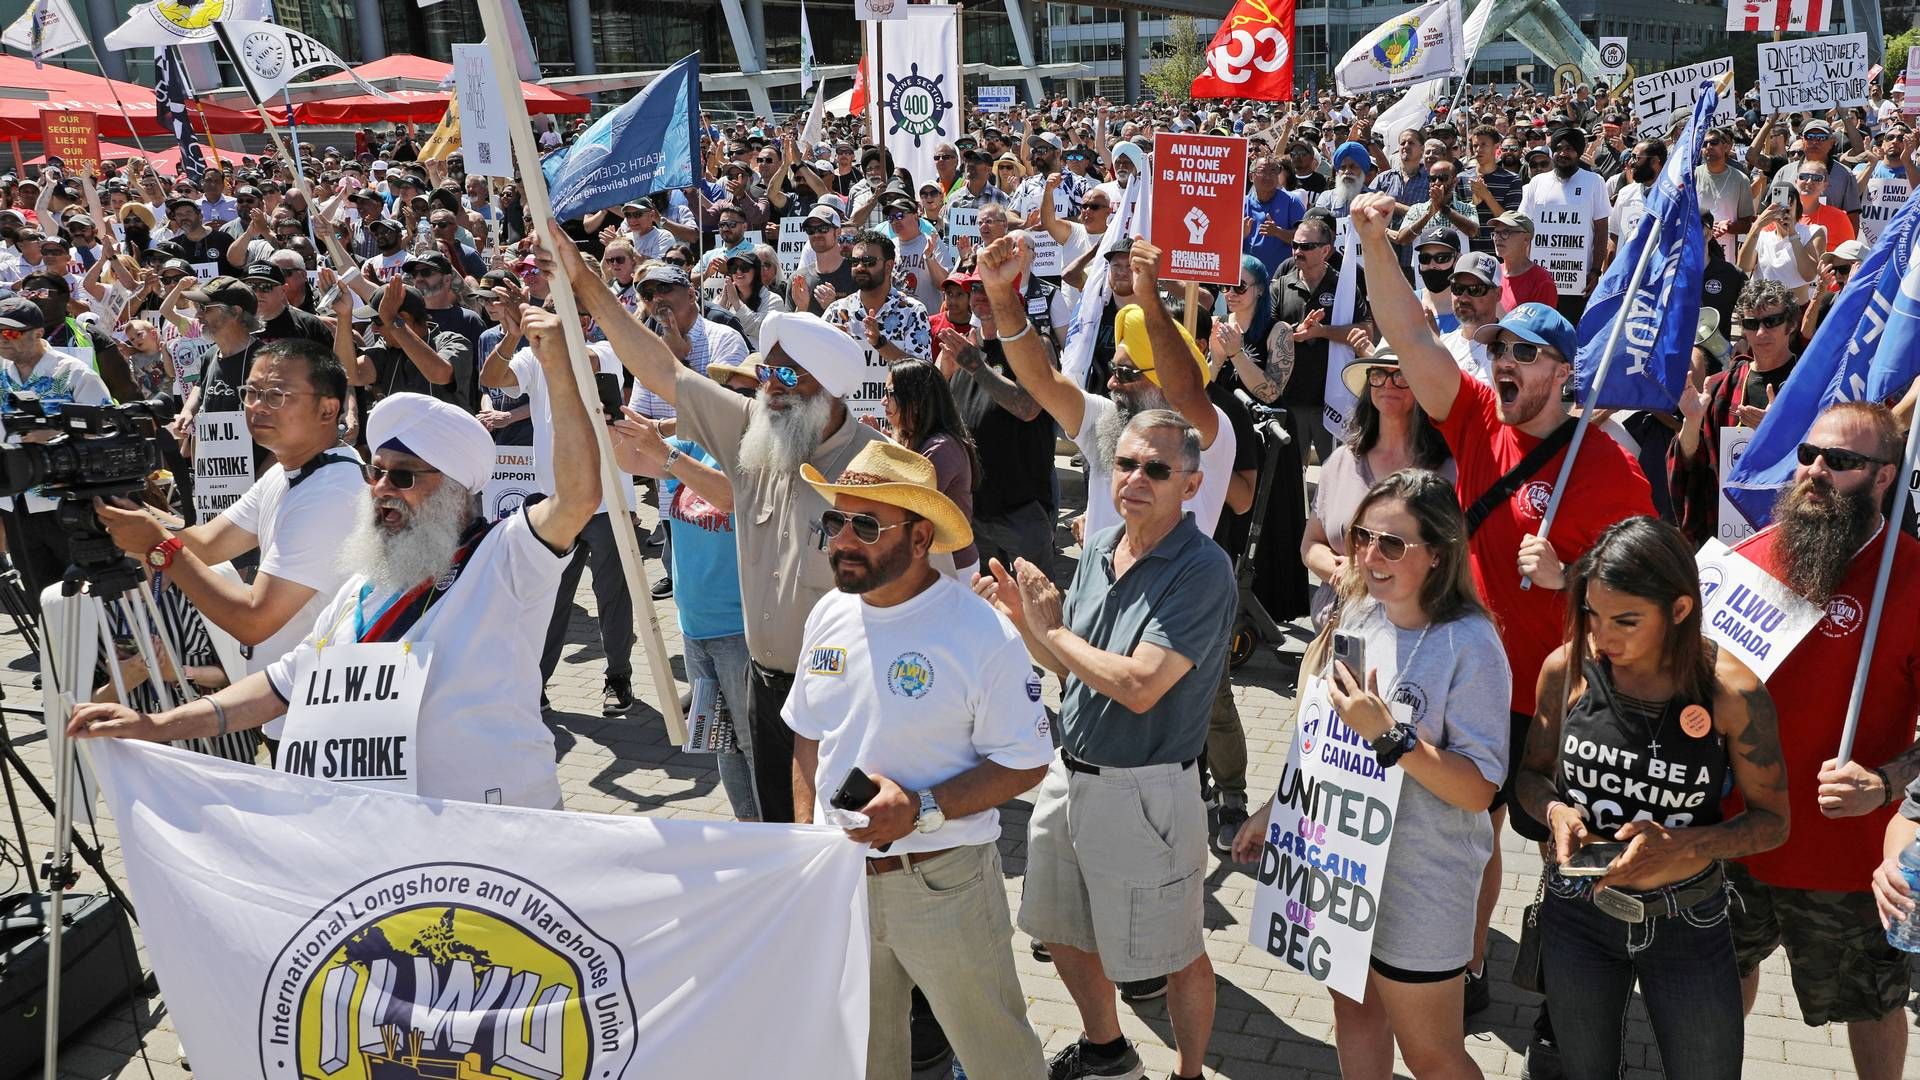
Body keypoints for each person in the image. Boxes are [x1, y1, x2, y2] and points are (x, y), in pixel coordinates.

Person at [71, 308, 602, 809]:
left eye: (404, 477)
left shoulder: (504, 558)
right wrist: (157, 726)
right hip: (387, 835)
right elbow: (279, 687)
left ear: (458, 491)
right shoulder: (361, 590)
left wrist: (557, 369)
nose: (381, 489)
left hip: (495, 826)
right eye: (376, 473)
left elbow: (577, 497)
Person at [1351, 190, 1655, 1037]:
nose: (1506, 358)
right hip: (1478, 686)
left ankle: (1573, 1001)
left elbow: (1658, 593)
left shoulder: (1610, 466)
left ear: (1564, 374)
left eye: (1527, 350)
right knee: (1469, 830)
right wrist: (1375, 242)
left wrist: (1575, 578)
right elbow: (1410, 337)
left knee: (1571, 850)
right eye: (1501, 348)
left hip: (1566, 699)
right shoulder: (1478, 419)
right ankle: (1470, 961)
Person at [540, 230, 890, 826]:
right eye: (767, 376)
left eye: (788, 379)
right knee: (776, 831)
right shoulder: (761, 429)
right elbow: (661, 370)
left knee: (845, 849)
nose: (770, 391)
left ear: (828, 390)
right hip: (766, 689)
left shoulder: (876, 472)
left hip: (850, 703)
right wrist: (585, 283)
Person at [980, 408, 1234, 1080]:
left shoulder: (1204, 570)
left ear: (1190, 482)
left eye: (1156, 468)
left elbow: (1141, 685)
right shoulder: (1098, 547)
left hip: (1149, 789)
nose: (1136, 479)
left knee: (1177, 952)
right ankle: (1107, 1051)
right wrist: (1021, 621)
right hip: (1073, 772)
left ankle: (1189, 1072)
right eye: (1125, 464)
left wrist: (1051, 631)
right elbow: (1071, 665)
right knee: (1057, 928)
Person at [787, 441, 1052, 1080]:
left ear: (919, 537)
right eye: (835, 521)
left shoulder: (981, 633)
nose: (843, 540)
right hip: (842, 883)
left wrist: (921, 808)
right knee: (862, 1060)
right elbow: (807, 735)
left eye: (867, 525)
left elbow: (1028, 761)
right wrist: (804, 838)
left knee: (999, 1060)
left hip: (944, 884)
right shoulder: (827, 614)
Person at [1236, 468, 1511, 1080]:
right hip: (1342, 869)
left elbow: (1479, 790)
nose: (1368, 555)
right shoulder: (1359, 615)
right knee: (1355, 1019)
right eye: (1362, 537)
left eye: (1392, 544)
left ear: (1438, 554)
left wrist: (1389, 736)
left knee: (1432, 1056)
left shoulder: (1471, 644)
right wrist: (1275, 809)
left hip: (1421, 887)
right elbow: (1322, 738)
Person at [1514, 517, 1789, 1080]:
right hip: (1577, 913)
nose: (1603, 636)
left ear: (1680, 610)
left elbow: (1773, 822)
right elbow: (1531, 776)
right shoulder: (1567, 669)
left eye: (1627, 621)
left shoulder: (1732, 693)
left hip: (1687, 919)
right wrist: (1554, 811)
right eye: (1592, 613)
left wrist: (1683, 844)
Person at [1723, 403, 1920, 1080]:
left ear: (1884, 476)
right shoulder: (1743, 560)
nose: (1813, 471)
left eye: (1839, 462)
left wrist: (1887, 784)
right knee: (1719, 983)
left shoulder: (1913, 579)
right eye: (1809, 454)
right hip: (1734, 839)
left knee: (1870, 1005)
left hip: (1846, 863)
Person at [96, 339, 365, 742]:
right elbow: (207, 543)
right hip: (287, 706)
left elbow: (254, 620)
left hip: (320, 718)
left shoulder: (331, 491)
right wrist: (121, 510)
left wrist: (159, 546)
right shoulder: (288, 470)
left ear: (329, 408)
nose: (257, 407)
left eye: (276, 395)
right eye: (252, 393)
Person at [608, 359, 760, 820]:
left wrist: (666, 450)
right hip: (694, 629)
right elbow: (628, 458)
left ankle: (772, 837)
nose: (731, 402)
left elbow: (730, 496)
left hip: (742, 633)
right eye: (725, 392)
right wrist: (608, 419)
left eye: (743, 393)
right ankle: (747, 828)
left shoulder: (765, 456)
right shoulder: (699, 443)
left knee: (754, 745)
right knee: (722, 741)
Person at [478, 300, 640, 717]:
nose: (546, 319)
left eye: (559, 311)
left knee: (613, 597)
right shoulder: (533, 357)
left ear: (583, 320)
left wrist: (553, 334)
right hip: (556, 503)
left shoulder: (602, 352)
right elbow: (491, 377)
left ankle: (618, 678)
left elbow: (582, 359)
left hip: (606, 502)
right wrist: (513, 333)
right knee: (548, 598)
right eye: (545, 310)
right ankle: (536, 683)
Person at [1303, 349, 1455, 622]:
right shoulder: (1341, 462)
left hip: (1414, 631)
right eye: (1378, 375)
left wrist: (1369, 575)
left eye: (1400, 375)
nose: (1387, 384)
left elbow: (1454, 559)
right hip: (1336, 634)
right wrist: (1339, 572)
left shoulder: (1446, 471)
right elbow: (1311, 544)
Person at [0, 296, 113, 612]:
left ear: (37, 333)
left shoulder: (74, 373)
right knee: (41, 601)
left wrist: (58, 435)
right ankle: (57, 661)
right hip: (17, 504)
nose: (1, 340)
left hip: (67, 502)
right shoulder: (1, 374)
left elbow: (108, 430)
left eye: (8, 333)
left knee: (87, 600)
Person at [882, 358, 979, 577]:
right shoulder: (919, 439)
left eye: (889, 393)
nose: (883, 401)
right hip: (933, 561)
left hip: (952, 565)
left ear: (915, 400)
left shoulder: (941, 448)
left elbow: (905, 505)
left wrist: (881, 449)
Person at [1518, 128, 1609, 324]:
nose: (1563, 153)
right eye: (1558, 149)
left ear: (1578, 152)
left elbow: (1601, 230)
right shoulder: (1537, 182)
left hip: (1579, 282)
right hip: (1540, 279)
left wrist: (1595, 271)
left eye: (1569, 149)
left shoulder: (1594, 181)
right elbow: (1524, 227)